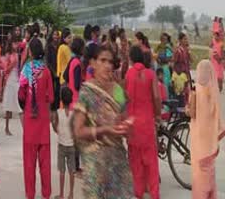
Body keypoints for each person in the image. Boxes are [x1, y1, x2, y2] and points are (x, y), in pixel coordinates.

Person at [72, 45, 133, 199]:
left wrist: (127, 127)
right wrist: (105, 130)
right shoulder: (87, 91)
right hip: (95, 164)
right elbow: (78, 130)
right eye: (102, 60)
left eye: (110, 62)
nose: (107, 65)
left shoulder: (118, 91)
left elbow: (125, 124)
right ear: (93, 63)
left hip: (117, 163)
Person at [18, 37, 54, 199]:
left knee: (29, 163)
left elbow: (21, 95)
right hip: (43, 123)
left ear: (31, 52)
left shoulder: (26, 69)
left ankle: (30, 194)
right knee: (45, 164)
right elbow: (51, 98)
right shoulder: (46, 71)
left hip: (30, 123)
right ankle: (46, 194)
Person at [125, 44, 161, 199]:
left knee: (136, 162)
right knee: (151, 163)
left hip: (133, 125)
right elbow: (157, 97)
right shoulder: (151, 74)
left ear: (131, 58)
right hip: (147, 124)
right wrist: (158, 115)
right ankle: (154, 193)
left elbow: (123, 98)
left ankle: (138, 193)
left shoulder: (128, 74)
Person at [191, 59, 225, 198]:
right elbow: (220, 124)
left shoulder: (196, 91)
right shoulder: (213, 92)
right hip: (210, 147)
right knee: (210, 175)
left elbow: (191, 113)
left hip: (199, 146)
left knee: (199, 178)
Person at [52, 87, 76, 199]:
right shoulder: (74, 114)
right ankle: (71, 194)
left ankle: (61, 194)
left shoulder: (58, 112)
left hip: (61, 145)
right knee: (72, 171)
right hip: (72, 146)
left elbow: (54, 126)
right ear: (71, 100)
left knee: (62, 171)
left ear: (61, 99)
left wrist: (58, 131)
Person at [1, 36, 21, 136]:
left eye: (17, 43)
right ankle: (7, 128)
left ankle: (24, 128)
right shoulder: (9, 55)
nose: (16, 45)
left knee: (20, 104)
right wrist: (12, 64)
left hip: (16, 80)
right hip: (9, 81)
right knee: (9, 105)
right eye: (14, 43)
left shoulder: (17, 54)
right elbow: (5, 70)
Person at [172, 32, 192, 104]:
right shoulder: (178, 50)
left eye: (186, 39)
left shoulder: (186, 50)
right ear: (180, 40)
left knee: (187, 91)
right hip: (180, 74)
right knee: (181, 92)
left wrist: (189, 52)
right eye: (184, 39)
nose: (186, 40)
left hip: (186, 73)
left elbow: (191, 60)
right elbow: (174, 62)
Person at [210, 27, 224, 93]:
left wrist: (219, 58)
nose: (215, 37)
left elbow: (223, 56)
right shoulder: (213, 41)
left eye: (217, 35)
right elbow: (210, 47)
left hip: (218, 62)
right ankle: (214, 89)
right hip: (213, 61)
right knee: (213, 75)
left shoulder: (221, 44)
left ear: (219, 36)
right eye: (214, 35)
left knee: (219, 77)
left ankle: (220, 88)